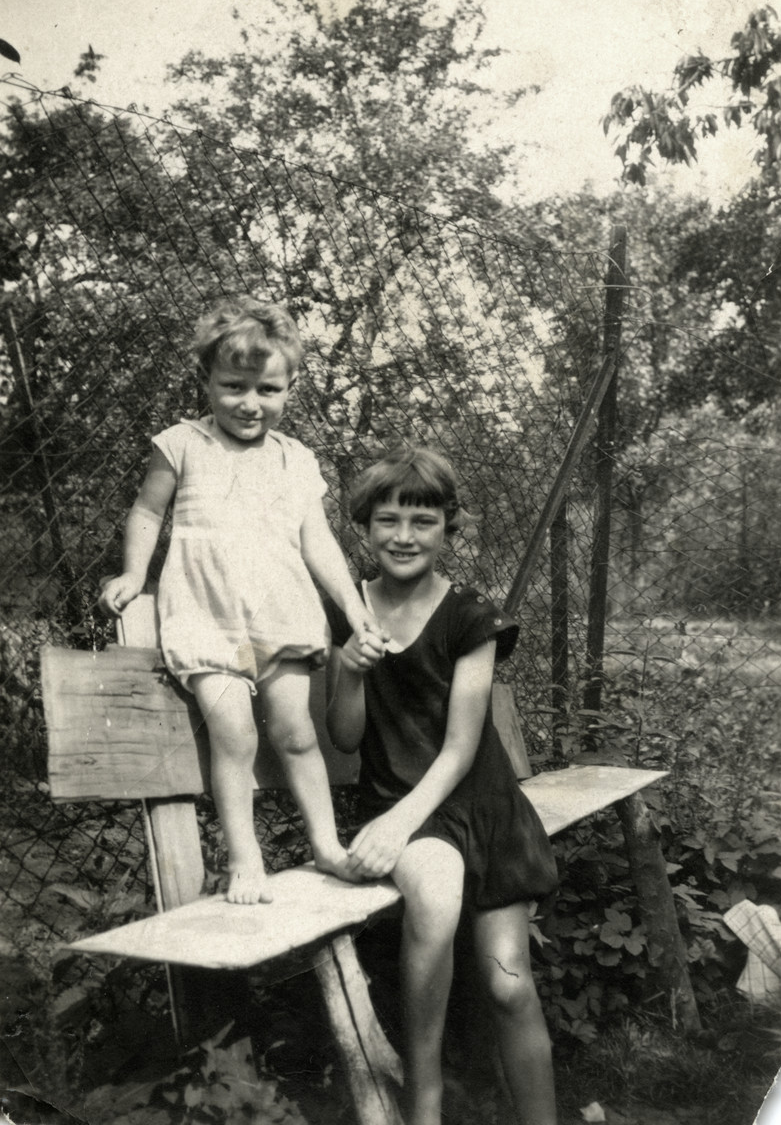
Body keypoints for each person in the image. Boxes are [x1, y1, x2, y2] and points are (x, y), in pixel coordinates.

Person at [98, 297, 385, 905]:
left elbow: (319, 541)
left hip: (280, 612)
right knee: (233, 736)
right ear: (206, 380)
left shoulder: (295, 459)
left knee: (296, 731)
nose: (250, 403)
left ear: (290, 388)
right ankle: (244, 859)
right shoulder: (181, 444)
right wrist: (132, 574)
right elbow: (148, 511)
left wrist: (354, 608)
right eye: (233, 386)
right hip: (206, 614)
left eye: (268, 389)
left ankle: (328, 845)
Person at [324, 445, 559, 1125]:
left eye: (422, 521)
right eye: (387, 520)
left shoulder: (470, 616)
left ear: (447, 529)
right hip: (408, 814)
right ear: (363, 528)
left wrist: (396, 824)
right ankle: (422, 1109)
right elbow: (343, 736)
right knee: (434, 895)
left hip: (479, 808)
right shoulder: (351, 608)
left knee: (507, 984)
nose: (403, 536)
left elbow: (460, 748)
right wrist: (349, 666)